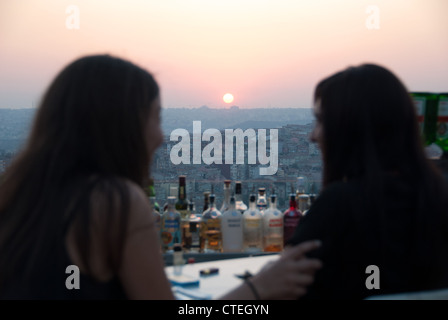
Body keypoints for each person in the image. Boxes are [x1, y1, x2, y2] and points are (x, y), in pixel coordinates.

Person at [0, 54, 321, 300]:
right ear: (121, 128)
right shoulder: (116, 203)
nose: (161, 137)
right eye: (156, 118)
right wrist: (259, 289)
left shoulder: (18, 195)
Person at [288, 64, 448, 299]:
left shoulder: (340, 206)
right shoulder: (438, 195)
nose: (313, 136)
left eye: (322, 121)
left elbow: (284, 285)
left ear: (348, 129)